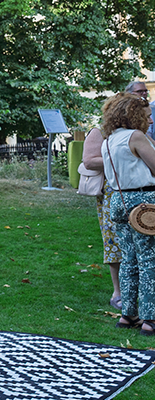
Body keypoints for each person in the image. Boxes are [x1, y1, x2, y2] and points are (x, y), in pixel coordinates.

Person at [101, 93, 155, 335]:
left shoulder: (109, 140)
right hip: (143, 203)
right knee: (149, 260)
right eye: (147, 115)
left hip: (118, 200)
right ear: (134, 115)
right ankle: (150, 319)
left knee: (129, 259)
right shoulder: (136, 136)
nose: (150, 120)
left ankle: (128, 315)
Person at [83, 125, 122, 308]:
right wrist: (124, 157)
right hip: (111, 193)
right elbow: (89, 161)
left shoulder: (139, 131)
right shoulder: (100, 131)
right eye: (139, 93)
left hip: (138, 190)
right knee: (113, 240)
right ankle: (118, 292)